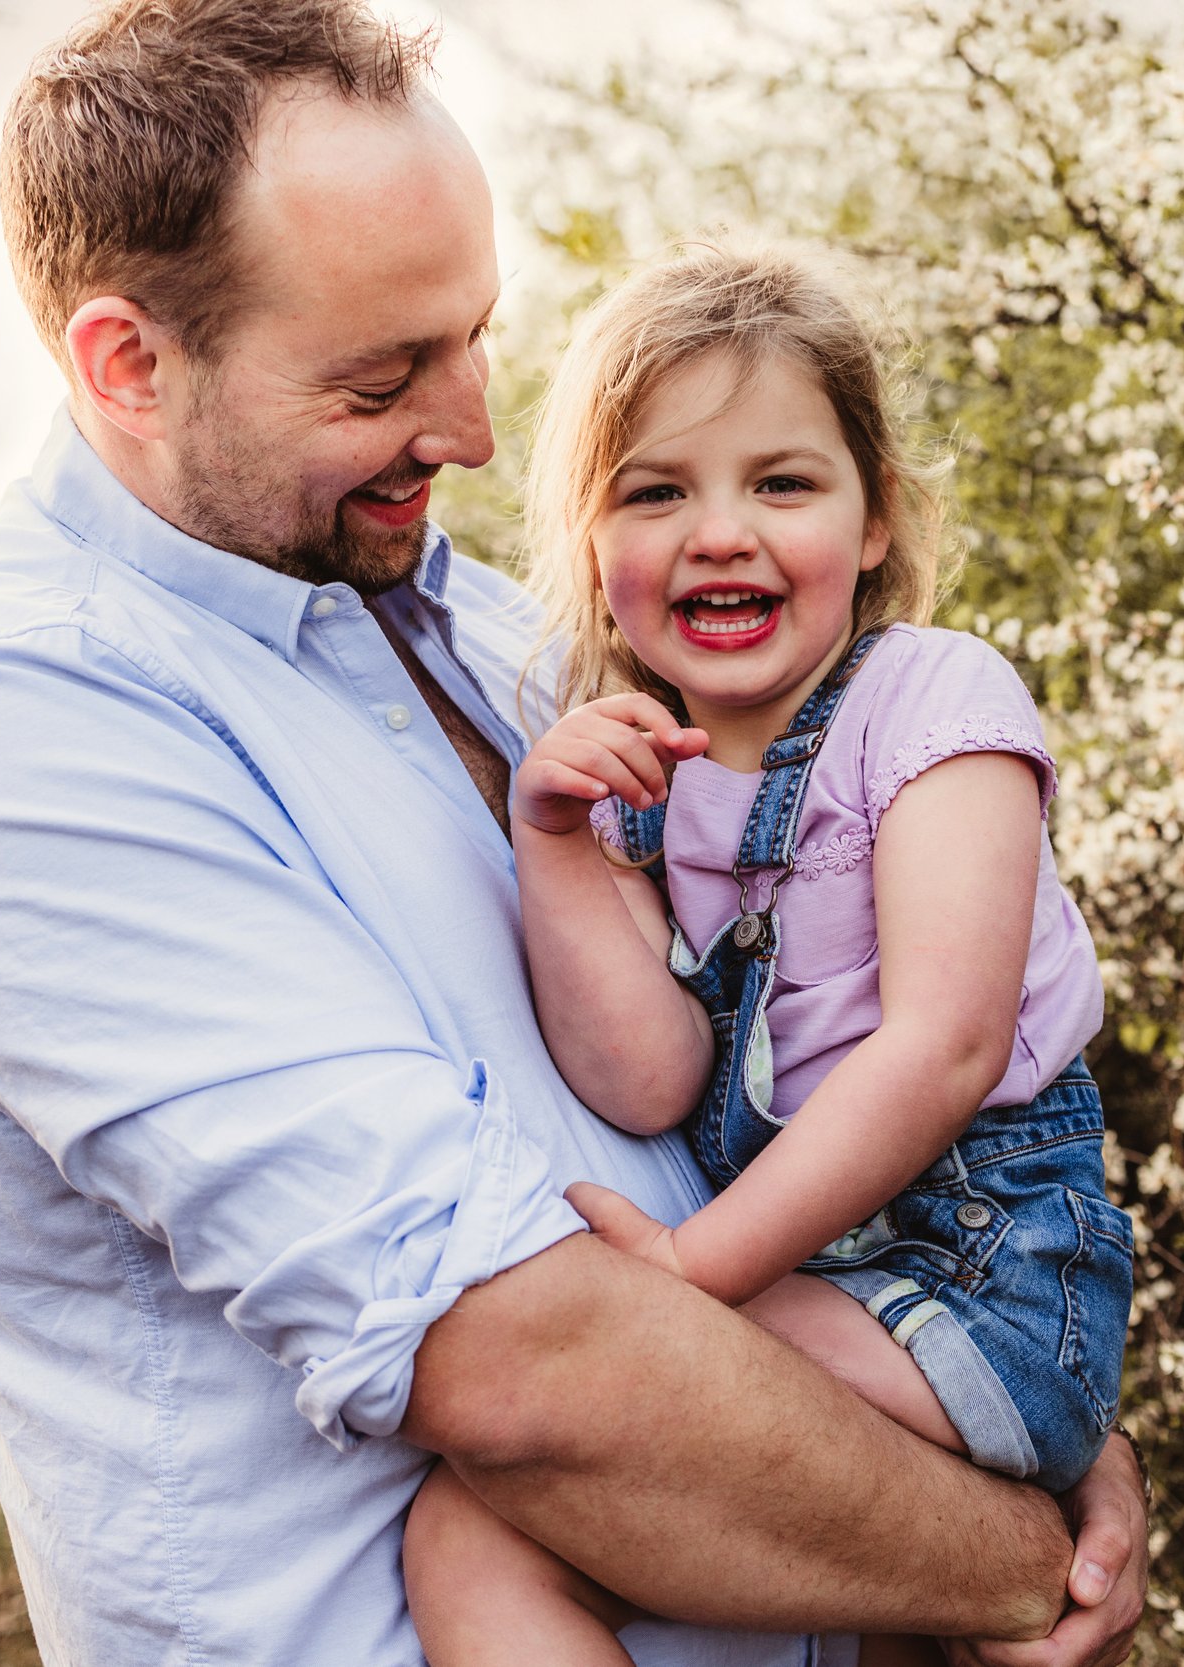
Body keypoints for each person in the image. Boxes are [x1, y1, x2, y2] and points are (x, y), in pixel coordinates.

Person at [0, 3, 1149, 1663]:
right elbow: (528, 1366)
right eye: (382, 376)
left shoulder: (497, 635)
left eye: (476, 338)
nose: (468, 430)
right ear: (127, 365)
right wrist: (1012, 1560)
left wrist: (1011, 1388)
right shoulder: (17, 727)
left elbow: (721, 1084)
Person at [401, 248, 1132, 1667]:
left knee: (511, 1490)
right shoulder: (645, 780)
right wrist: (550, 839)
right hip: (830, 1282)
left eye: (782, 485)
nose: (719, 533)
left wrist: (681, 1277)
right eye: (657, 491)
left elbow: (946, 1046)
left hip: (981, 1270)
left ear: (875, 522)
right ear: (592, 542)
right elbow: (649, 1074)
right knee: (469, 1539)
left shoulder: (934, 704)